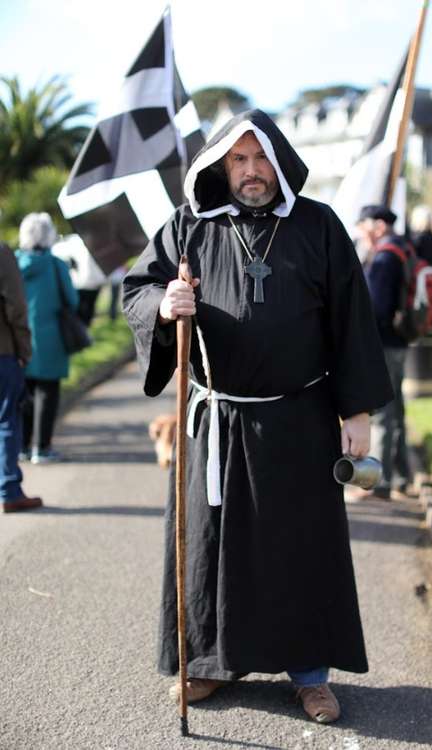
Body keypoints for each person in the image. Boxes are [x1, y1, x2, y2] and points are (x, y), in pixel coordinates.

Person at [123, 110, 393, 724]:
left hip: (299, 418)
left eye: (260, 158)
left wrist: (357, 412)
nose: (251, 172)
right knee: (213, 547)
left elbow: (352, 321)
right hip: (216, 422)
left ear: (280, 160)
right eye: (239, 160)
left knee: (301, 548)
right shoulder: (190, 226)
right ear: (222, 165)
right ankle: (212, 665)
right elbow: (137, 288)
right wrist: (166, 306)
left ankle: (310, 675)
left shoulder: (318, 226)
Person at [356, 204, 412, 501]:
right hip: (399, 342)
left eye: (363, 224)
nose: (361, 231)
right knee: (397, 412)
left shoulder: (384, 257)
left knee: (381, 415)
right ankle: (403, 478)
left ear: (378, 225)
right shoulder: (401, 248)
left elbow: (373, 308)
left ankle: (380, 483)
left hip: (384, 344)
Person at [15, 213, 79, 464]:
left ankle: (21, 445)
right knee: (48, 393)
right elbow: (72, 301)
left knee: (23, 393)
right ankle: (41, 448)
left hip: (20, 336)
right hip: (51, 337)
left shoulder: (14, 263)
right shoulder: (56, 264)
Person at [0, 242, 43, 512]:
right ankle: (9, 490)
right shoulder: (2, 253)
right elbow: (16, 304)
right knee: (7, 421)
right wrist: (24, 349)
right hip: (3, 352)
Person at [52, 233, 106, 326]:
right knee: (84, 311)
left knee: (84, 311)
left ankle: (83, 328)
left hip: (85, 283)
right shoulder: (79, 242)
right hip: (87, 283)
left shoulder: (75, 242)